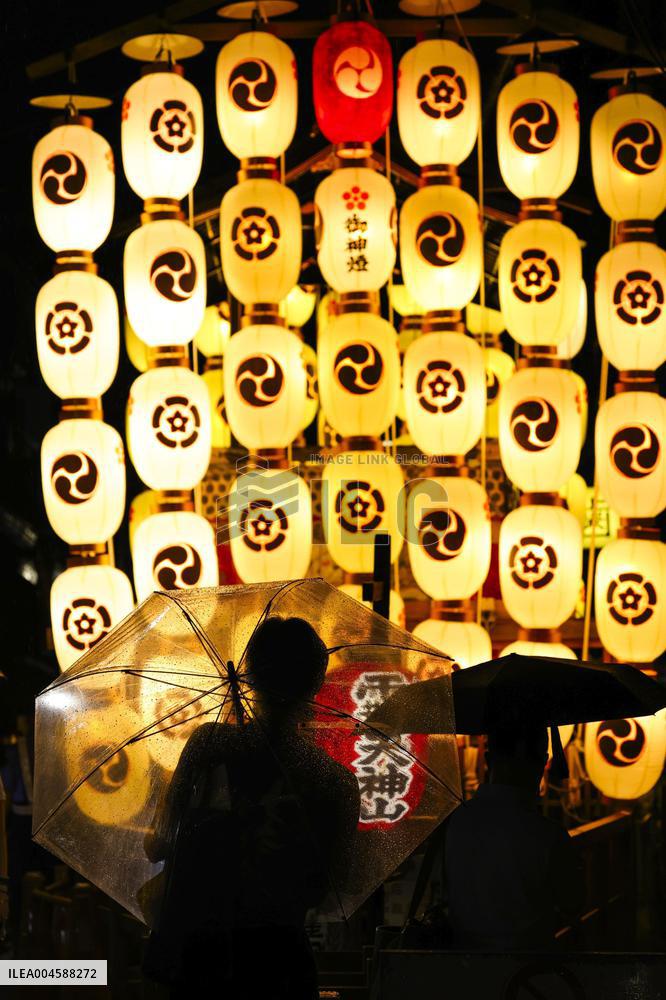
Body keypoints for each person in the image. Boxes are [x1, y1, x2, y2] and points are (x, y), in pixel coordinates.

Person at [143, 616, 360, 999]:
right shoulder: (334, 782)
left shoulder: (209, 746)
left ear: (249, 677)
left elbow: (158, 845)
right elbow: (335, 886)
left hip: (202, 966)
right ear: (316, 684)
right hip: (282, 968)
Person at [444, 722, 582, 951]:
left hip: (464, 968)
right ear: (541, 762)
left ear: (488, 760)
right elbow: (573, 902)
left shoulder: (457, 821)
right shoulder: (548, 835)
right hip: (529, 973)